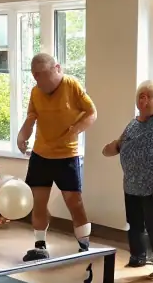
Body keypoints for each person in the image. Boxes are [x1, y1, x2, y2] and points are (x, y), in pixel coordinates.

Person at [16, 54, 97, 261]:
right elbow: (31, 118)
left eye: (42, 75)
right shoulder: (35, 92)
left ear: (56, 69)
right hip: (41, 154)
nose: (38, 81)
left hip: (66, 155)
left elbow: (91, 112)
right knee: (38, 201)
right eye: (35, 76)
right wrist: (22, 136)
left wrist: (76, 129)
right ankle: (40, 245)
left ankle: (84, 244)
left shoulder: (72, 85)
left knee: (74, 201)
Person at [102, 80, 153, 281]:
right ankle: (138, 257)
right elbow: (115, 147)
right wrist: (112, 146)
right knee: (134, 224)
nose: (144, 100)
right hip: (131, 185)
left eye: (149, 96)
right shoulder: (133, 124)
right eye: (141, 96)